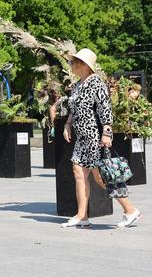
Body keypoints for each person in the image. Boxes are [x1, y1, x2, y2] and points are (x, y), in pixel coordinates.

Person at [61, 48, 142, 229]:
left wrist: (106, 132)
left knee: (102, 176)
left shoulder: (96, 83)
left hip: (94, 135)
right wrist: (67, 124)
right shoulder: (77, 85)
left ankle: (130, 210)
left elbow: (105, 108)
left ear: (83, 65)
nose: (70, 65)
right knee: (79, 172)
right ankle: (82, 215)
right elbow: (73, 108)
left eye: (72, 62)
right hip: (82, 137)